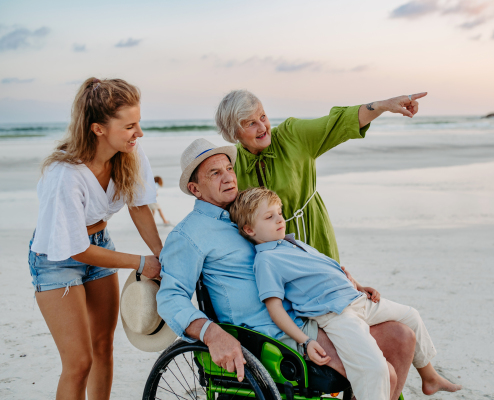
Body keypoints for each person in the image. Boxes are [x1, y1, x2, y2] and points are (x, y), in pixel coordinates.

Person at [157, 139, 416, 397]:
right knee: (384, 374)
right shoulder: (188, 234)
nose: (228, 178)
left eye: (229, 169)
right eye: (215, 173)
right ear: (195, 188)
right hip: (273, 335)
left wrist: (347, 283)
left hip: (311, 310)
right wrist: (212, 334)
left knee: (402, 336)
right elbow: (170, 297)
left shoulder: (245, 213)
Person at [230, 187, 462, 399]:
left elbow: (333, 270)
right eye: (269, 217)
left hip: (357, 299)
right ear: (250, 229)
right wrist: (306, 340)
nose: (280, 219)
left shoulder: (292, 244)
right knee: (374, 368)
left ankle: (429, 377)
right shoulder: (266, 260)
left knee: (411, 316)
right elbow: (274, 308)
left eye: (279, 213)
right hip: (337, 314)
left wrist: (359, 285)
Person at [28, 78, 163, 400]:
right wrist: (142, 262)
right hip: (56, 259)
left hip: (100, 246)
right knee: (78, 363)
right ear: (98, 128)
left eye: (138, 123)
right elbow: (75, 249)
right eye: (130, 126)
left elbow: (140, 205)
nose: (139, 133)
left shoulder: (129, 151)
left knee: (104, 347)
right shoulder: (66, 175)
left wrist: (161, 253)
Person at [215, 90, 426, 262]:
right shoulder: (231, 165)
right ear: (234, 133)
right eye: (251, 123)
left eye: (263, 117)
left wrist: (382, 105)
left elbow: (338, 122)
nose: (263, 127)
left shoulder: (292, 135)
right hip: (268, 258)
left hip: (313, 236)